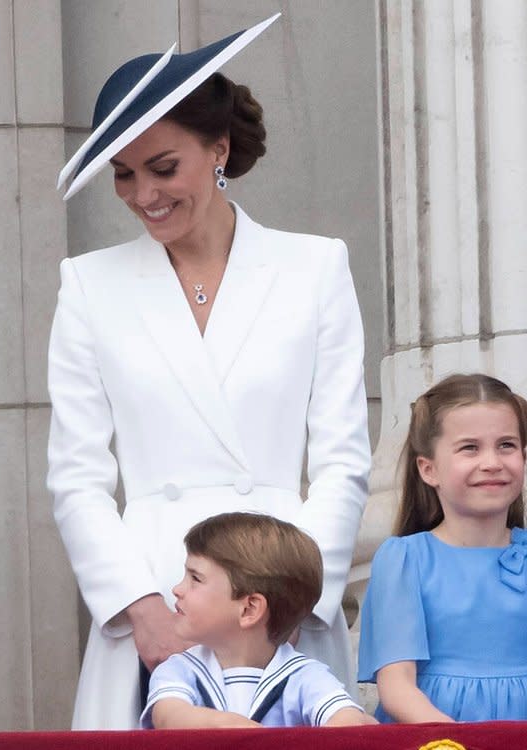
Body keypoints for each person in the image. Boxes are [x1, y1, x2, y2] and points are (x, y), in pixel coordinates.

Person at [47, 13, 371, 729]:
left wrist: (296, 601)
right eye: (123, 175)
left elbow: (344, 461)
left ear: (219, 149)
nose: (143, 195)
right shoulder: (89, 285)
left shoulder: (315, 267)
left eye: (164, 168)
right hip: (157, 603)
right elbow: (77, 477)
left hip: (283, 598)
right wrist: (139, 611)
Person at [358, 373, 527, 722]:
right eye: (470, 448)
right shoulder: (405, 560)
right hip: (434, 736)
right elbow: (398, 688)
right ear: (428, 469)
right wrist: (459, 743)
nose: (492, 462)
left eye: (506, 445)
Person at [142, 513, 375, 729]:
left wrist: (353, 719)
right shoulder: (179, 670)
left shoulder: (303, 675)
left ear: (249, 609)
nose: (176, 589)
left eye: (195, 579)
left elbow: (346, 721)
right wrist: (238, 730)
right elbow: (168, 716)